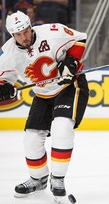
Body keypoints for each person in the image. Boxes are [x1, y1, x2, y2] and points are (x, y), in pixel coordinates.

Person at [0, 11, 89, 199]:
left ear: (30, 26)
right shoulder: (7, 53)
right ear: (11, 35)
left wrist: (71, 61)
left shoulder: (52, 32)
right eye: (18, 34)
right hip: (42, 94)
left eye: (25, 31)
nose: (24, 37)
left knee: (62, 128)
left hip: (69, 86)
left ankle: (57, 178)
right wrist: (4, 88)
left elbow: (81, 39)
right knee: (31, 138)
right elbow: (4, 79)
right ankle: (38, 178)